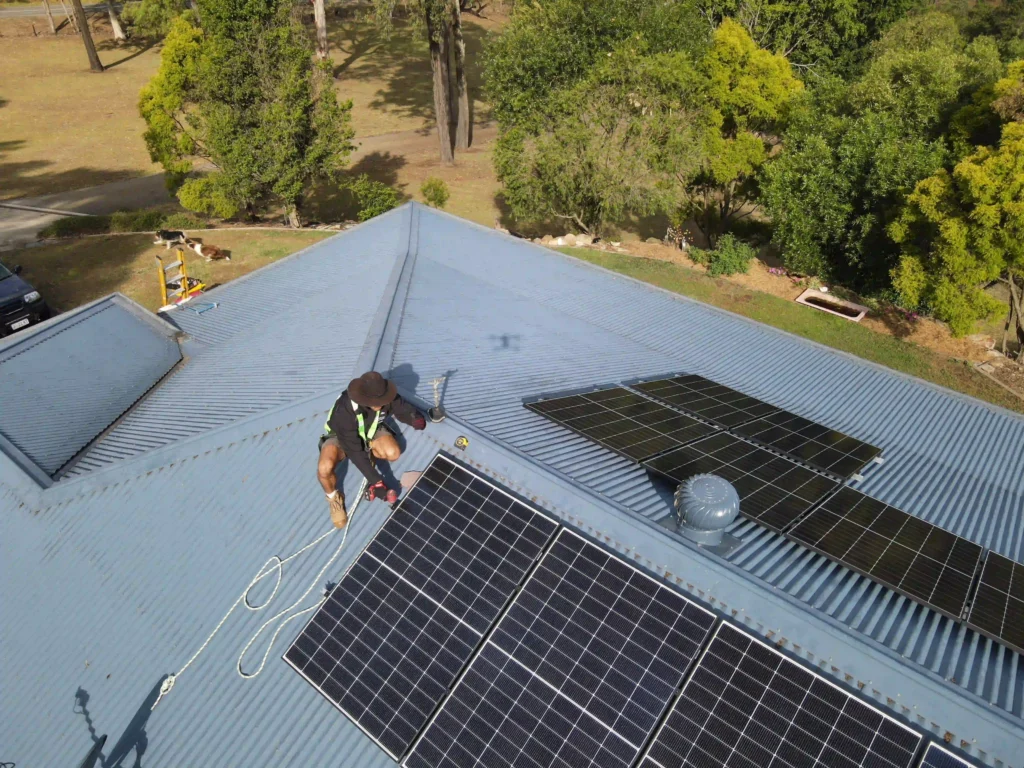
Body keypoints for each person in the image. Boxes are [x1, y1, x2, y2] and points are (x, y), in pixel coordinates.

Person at [317, 371, 426, 528]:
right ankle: (334, 498)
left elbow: (402, 408)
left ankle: (370, 458)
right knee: (324, 468)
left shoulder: (384, 395)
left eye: (381, 400)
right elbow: (354, 451)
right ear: (363, 398)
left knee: (393, 452)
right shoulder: (345, 410)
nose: (380, 405)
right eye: (375, 402)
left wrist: (415, 418)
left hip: (370, 431)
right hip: (341, 437)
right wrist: (376, 481)